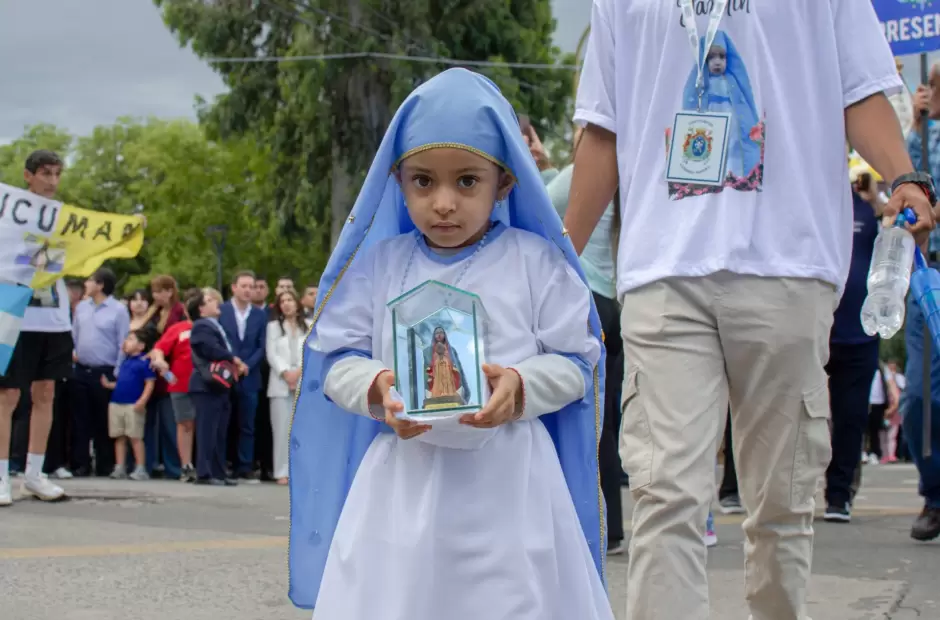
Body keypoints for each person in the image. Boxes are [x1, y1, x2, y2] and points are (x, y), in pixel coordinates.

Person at [568, 2, 935, 619]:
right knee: (665, 497)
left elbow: (861, 92)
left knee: (782, 505)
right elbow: (603, 127)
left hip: (787, 263)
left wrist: (904, 177)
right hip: (664, 268)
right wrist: (556, 259)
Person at [287, 69, 611, 620]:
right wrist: (375, 387)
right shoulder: (381, 267)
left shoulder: (535, 263)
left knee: (511, 599)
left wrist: (522, 384)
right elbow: (337, 358)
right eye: (422, 181)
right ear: (398, 180)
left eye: (466, 181)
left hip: (510, 483)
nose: (443, 203)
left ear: (504, 183)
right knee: (404, 598)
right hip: (406, 481)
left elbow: (577, 361)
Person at [537, 124, 626, 555]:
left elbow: (541, 206)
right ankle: (614, 527)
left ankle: (591, 523)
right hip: (615, 302)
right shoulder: (624, 176)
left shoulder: (580, 174)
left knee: (587, 420)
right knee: (606, 419)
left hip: (584, 300)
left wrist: (537, 164)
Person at [0, 150, 75, 504]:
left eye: (58, 174)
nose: (52, 181)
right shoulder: (9, 212)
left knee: (46, 394)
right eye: (46, 173)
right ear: (28, 175)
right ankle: (1, 476)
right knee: (7, 396)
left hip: (54, 317)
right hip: (15, 313)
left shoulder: (65, 217)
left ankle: (34, 474)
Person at [823, 165, 884, 522]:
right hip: (818, 328)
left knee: (851, 419)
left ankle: (839, 494)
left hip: (861, 332)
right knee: (804, 416)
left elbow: (899, 237)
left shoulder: (870, 209)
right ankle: (797, 489)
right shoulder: (819, 202)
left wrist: (875, 198)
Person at [71, 268, 131, 478]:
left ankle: (105, 463)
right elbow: (74, 334)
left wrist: (117, 372)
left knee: (103, 420)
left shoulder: (118, 310)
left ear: (101, 285)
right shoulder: (81, 308)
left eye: (90, 280)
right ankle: (81, 464)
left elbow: (122, 342)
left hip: (104, 370)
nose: (86, 284)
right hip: (81, 369)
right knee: (80, 419)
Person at [189, 288, 247, 486]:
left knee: (220, 430)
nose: (216, 302)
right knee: (207, 429)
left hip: (220, 386)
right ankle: (204, 473)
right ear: (201, 309)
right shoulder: (201, 326)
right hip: (206, 386)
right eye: (209, 300)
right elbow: (210, 349)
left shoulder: (216, 325)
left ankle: (218, 472)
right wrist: (233, 359)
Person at [219, 271, 267, 482]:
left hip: (250, 375)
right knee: (225, 422)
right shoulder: (221, 311)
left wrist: (247, 365)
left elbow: (262, 345)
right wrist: (233, 362)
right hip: (225, 374)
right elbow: (219, 341)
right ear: (234, 288)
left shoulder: (260, 314)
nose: (249, 290)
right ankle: (224, 463)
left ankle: (244, 466)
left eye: (252, 286)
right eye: (244, 286)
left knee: (247, 424)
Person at [150, 288, 200, 481]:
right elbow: (158, 349)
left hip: (207, 384)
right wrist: (163, 365)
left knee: (205, 425)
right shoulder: (178, 329)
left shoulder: (213, 327)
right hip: (181, 384)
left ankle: (206, 464)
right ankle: (186, 465)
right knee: (185, 424)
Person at [101, 329, 157, 480]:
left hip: (133, 404)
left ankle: (140, 467)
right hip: (116, 402)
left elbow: (149, 384)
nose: (126, 342)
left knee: (135, 436)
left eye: (131, 339)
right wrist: (109, 385)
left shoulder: (144, 362)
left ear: (141, 345)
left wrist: (142, 400)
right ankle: (120, 467)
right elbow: (121, 383)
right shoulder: (125, 362)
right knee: (119, 436)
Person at [265, 290, 307, 485]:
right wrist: (285, 373)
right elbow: (271, 354)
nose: (287, 304)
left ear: (297, 303)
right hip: (280, 384)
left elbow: (311, 351)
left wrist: (298, 372)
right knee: (282, 430)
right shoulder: (273, 327)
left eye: (290, 299)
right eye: (283, 301)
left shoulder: (307, 326)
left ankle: (300, 470)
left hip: (302, 381)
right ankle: (281, 471)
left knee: (302, 428)